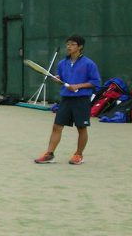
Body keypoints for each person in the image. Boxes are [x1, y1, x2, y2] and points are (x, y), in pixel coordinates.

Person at [34, 35, 100, 165]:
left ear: (80, 47)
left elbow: (95, 82)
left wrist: (78, 86)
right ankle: (49, 154)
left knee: (81, 128)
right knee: (57, 127)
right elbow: (62, 79)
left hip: (82, 99)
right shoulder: (62, 63)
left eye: (72, 44)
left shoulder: (89, 63)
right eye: (68, 44)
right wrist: (58, 79)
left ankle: (78, 155)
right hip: (66, 99)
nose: (69, 46)